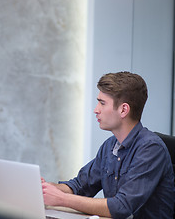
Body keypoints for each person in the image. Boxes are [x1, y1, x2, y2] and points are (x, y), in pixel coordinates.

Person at [42, 72, 175, 219]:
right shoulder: (110, 146)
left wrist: (62, 199)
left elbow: (121, 207)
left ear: (123, 110)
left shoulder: (151, 149)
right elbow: (80, 186)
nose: (96, 110)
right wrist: (46, 189)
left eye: (102, 103)